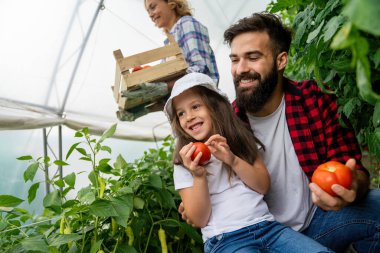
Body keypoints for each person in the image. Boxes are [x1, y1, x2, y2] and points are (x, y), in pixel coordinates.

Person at [219, 12, 379, 253]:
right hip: (262, 237)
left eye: (252, 57)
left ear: (281, 60)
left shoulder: (316, 98)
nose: (241, 69)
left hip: (320, 222)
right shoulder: (228, 124)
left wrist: (352, 186)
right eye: (234, 59)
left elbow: (352, 169)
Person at [164, 72, 334, 253]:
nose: (188, 116)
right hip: (226, 239)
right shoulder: (184, 162)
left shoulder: (239, 140)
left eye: (196, 106)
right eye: (181, 113)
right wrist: (198, 176)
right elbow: (199, 219)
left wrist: (232, 159)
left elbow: (263, 186)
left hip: (269, 229)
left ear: (215, 106)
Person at [145, 0, 219, 85]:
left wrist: (166, 85)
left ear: (171, 4)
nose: (150, 15)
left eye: (153, 7)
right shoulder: (169, 42)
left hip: (201, 94)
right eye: (148, 11)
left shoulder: (186, 24)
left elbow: (200, 68)